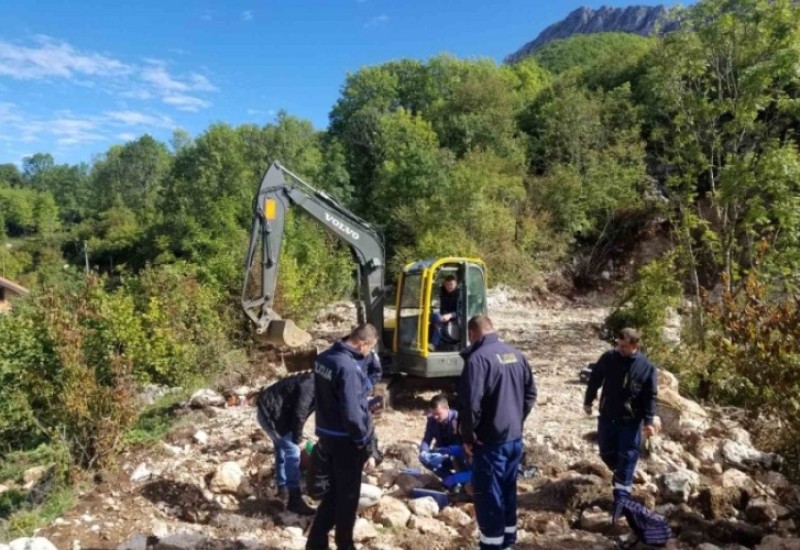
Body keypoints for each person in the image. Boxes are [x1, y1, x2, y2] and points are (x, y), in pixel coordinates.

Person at [458, 315, 537, 550]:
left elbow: (471, 404)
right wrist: (514, 420)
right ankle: (508, 543)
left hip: (490, 442)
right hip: (513, 439)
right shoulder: (515, 354)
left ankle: (493, 545)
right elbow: (530, 394)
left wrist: (469, 437)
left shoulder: (478, 359)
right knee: (507, 491)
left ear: (473, 334)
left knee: (488, 496)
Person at [306, 324, 378, 550]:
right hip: (345, 439)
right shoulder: (347, 367)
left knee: (334, 493)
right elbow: (352, 412)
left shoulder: (325, 358)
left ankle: (316, 542)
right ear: (363, 343)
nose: (367, 355)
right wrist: (364, 443)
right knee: (348, 497)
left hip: (326, 433)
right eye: (369, 349)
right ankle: (344, 544)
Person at [583, 327, 659, 506]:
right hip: (607, 416)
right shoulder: (609, 358)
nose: (620, 349)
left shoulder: (647, 367)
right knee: (606, 452)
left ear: (635, 345)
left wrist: (649, 421)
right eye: (618, 345)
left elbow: (650, 396)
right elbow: (595, 379)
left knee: (628, 456)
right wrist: (588, 401)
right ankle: (619, 475)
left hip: (630, 422)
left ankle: (622, 500)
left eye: (624, 346)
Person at [255, 371, 316, 516]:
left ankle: (283, 490)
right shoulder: (311, 384)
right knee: (293, 451)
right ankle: (294, 500)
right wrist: (298, 437)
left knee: (282, 449)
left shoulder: (321, 384)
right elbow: (300, 413)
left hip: (279, 414)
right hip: (268, 413)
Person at [418, 394, 471, 489]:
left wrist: (450, 452)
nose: (435, 417)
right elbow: (427, 439)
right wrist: (423, 452)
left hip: (460, 455)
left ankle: (464, 484)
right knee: (426, 459)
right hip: (441, 453)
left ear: (447, 408)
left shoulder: (459, 419)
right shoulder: (432, 421)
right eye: (433, 414)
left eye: (438, 414)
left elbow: (467, 446)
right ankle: (452, 485)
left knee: (457, 460)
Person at [430, 274, 460, 350]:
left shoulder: (460, 294)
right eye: (447, 285)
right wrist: (444, 314)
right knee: (434, 316)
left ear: (456, 283)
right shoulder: (443, 293)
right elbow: (443, 308)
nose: (449, 286)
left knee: (438, 320)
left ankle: (434, 344)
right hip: (444, 316)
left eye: (451, 284)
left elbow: (461, 310)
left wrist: (450, 315)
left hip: (457, 318)